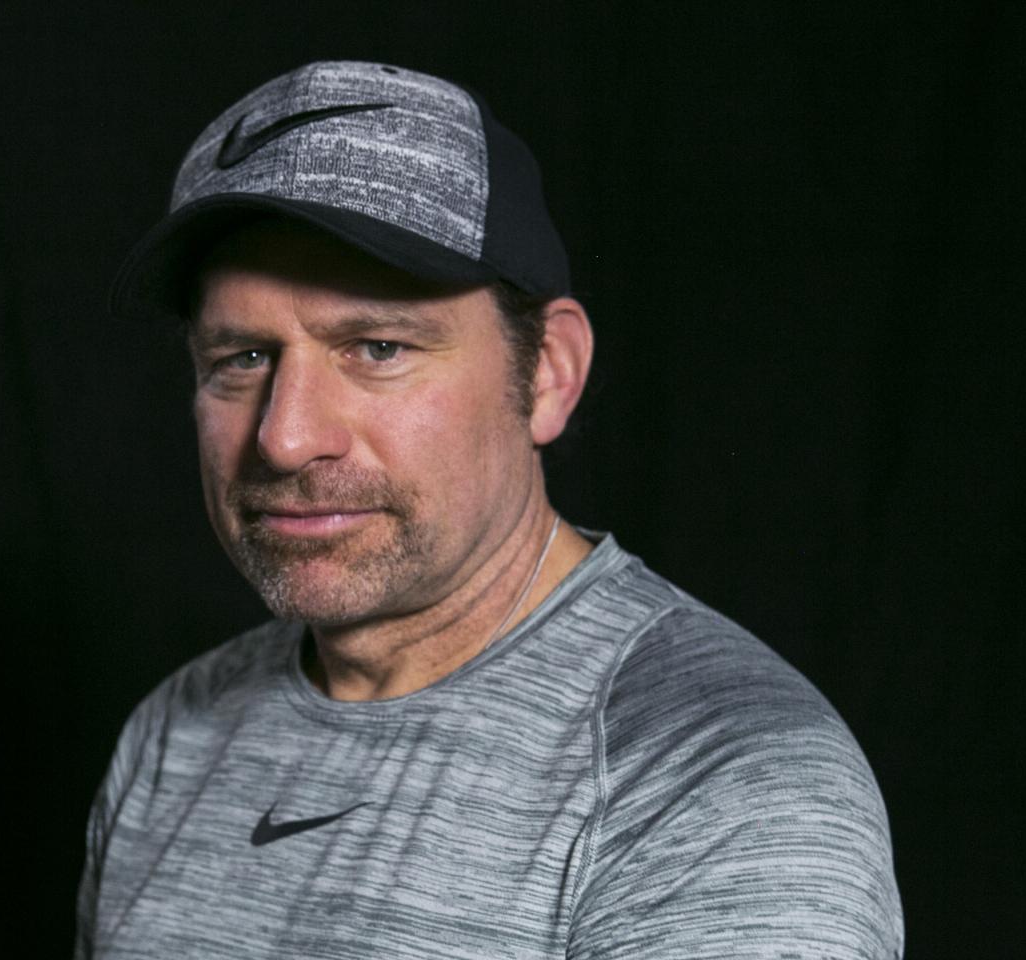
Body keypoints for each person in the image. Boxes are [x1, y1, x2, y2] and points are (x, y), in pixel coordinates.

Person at [76, 60, 904, 959]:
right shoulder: (174, 735)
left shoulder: (722, 775)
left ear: (548, 372)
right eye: (241, 358)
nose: (285, 438)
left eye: (378, 347)